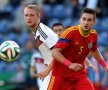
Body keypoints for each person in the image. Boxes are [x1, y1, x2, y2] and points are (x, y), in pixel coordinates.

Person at [47, 8, 108, 90]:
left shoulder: (93, 35)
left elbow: (94, 50)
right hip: (60, 75)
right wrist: (70, 64)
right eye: (84, 19)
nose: (86, 22)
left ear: (94, 23)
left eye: (89, 20)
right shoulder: (70, 33)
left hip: (78, 75)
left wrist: (104, 65)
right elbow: (55, 52)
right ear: (80, 20)